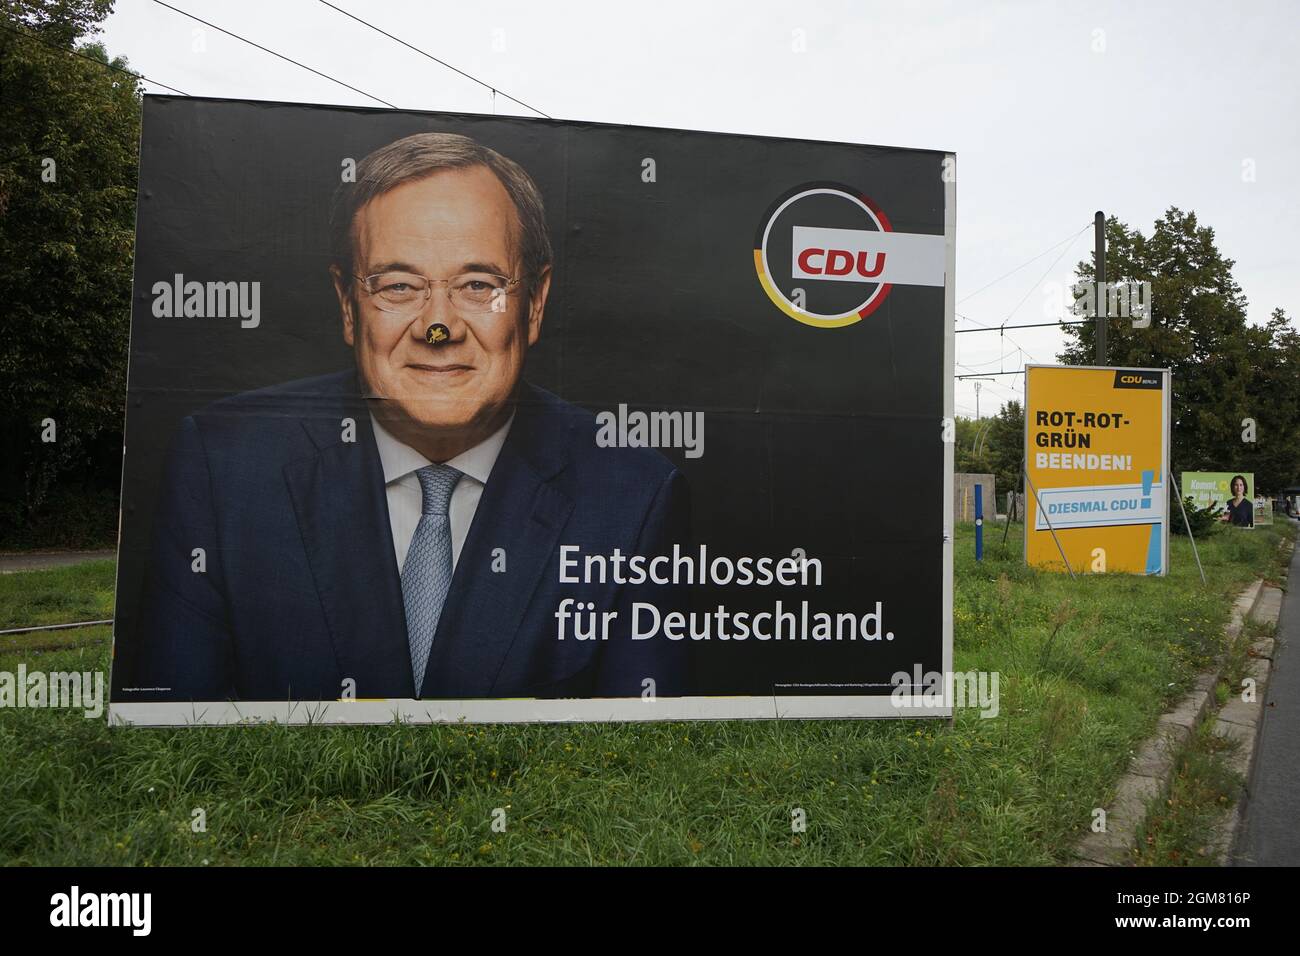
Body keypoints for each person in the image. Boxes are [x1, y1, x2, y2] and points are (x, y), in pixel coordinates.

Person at [134, 132, 688, 702]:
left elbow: (634, 765)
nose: (437, 326)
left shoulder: (633, 494)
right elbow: (173, 741)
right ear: (349, 306)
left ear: (535, 304)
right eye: (398, 285)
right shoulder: (223, 466)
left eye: (479, 284)